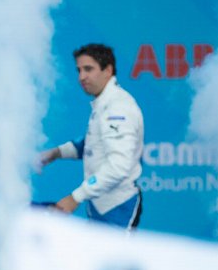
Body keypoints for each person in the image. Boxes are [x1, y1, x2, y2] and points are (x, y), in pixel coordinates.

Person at [40, 44, 144, 229]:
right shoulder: (103, 103)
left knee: (115, 259)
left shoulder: (117, 107)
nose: (82, 77)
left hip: (117, 208)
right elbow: (91, 145)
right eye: (79, 70)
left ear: (108, 70)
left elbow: (118, 167)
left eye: (88, 69)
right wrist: (55, 153)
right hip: (99, 205)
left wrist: (75, 197)